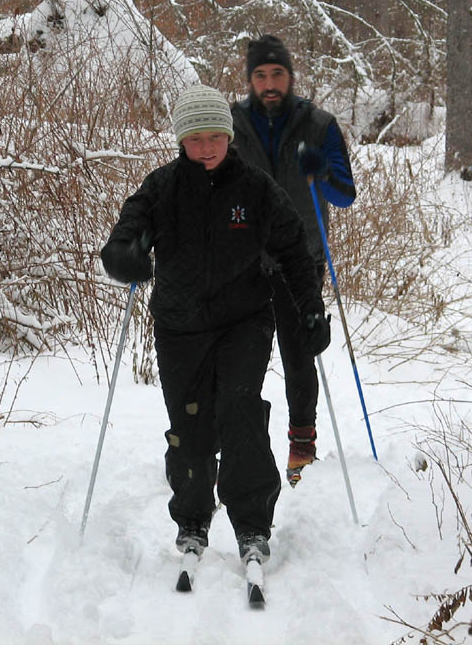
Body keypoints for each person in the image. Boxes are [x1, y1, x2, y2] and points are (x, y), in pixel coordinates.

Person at [100, 84, 330, 565]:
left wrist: (309, 308)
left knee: (240, 410)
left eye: (215, 137)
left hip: (243, 320)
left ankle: (252, 524)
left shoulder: (255, 188)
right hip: (179, 327)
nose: (206, 148)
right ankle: (192, 517)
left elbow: (292, 249)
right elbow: (127, 232)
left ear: (228, 136)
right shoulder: (161, 188)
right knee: (190, 425)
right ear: (181, 140)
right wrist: (125, 255)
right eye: (195, 138)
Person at [230, 35, 357, 484]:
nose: (269, 84)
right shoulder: (230, 123)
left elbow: (345, 194)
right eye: (260, 75)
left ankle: (301, 447)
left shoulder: (319, 124)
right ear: (249, 79)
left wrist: (321, 168)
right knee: (240, 360)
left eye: (276, 74)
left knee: (300, 355)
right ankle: (243, 448)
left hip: (300, 260)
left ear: (290, 76)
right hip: (241, 260)